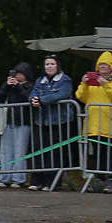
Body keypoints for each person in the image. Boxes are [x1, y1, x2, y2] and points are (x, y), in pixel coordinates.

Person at [76, 51, 112, 192]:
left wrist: (105, 84)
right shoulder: (92, 81)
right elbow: (80, 96)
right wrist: (84, 84)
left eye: (105, 64)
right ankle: (98, 180)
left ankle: (111, 180)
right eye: (100, 65)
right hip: (94, 125)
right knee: (97, 154)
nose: (102, 67)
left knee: (111, 153)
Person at [28, 55, 74, 189]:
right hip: (41, 121)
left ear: (57, 65)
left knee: (55, 153)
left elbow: (62, 94)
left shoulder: (65, 80)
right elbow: (33, 93)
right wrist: (33, 100)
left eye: (52, 64)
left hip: (59, 121)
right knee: (39, 151)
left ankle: (52, 183)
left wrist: (42, 100)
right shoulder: (40, 80)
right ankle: (36, 181)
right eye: (47, 64)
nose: (49, 66)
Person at [0, 62, 34, 188]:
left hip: (23, 122)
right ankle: (5, 177)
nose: (17, 76)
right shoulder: (10, 86)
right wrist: (6, 86)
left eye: (20, 73)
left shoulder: (30, 86)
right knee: (5, 151)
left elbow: (28, 97)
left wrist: (18, 86)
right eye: (15, 73)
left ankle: (19, 179)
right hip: (8, 121)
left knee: (20, 151)